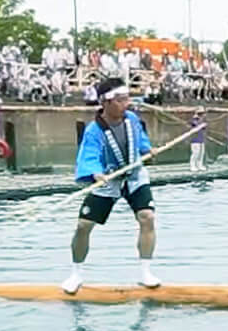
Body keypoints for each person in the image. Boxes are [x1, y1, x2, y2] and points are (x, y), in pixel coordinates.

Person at [63, 78, 159, 292]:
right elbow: (89, 156)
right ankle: (76, 274)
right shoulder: (93, 131)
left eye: (127, 99)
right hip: (108, 179)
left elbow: (141, 141)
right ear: (106, 102)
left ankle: (145, 272)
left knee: (147, 217)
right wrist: (95, 172)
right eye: (121, 100)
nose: (127, 104)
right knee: (83, 226)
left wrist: (147, 151)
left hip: (134, 176)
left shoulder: (132, 119)